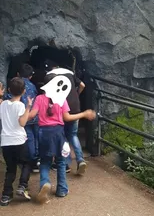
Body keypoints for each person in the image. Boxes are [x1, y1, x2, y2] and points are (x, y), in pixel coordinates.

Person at [28, 73, 96, 204]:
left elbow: (31, 115)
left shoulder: (39, 98)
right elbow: (67, 118)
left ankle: (45, 183)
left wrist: (23, 111)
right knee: (60, 161)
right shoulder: (61, 99)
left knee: (45, 162)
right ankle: (62, 189)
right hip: (58, 133)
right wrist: (84, 114)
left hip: (43, 133)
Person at [0, 77, 33, 206]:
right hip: (18, 140)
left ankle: (6, 196)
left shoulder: (3, 104)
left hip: (6, 142)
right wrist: (28, 107)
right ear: (24, 91)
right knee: (27, 163)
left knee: (11, 168)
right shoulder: (20, 105)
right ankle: (22, 185)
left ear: (9, 90)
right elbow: (22, 123)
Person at [48, 68, 87, 175]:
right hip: (75, 106)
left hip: (61, 107)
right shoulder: (70, 73)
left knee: (62, 135)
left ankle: (64, 164)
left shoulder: (50, 75)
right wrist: (77, 94)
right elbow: (82, 85)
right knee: (73, 135)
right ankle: (80, 160)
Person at [5, 64, 39, 173]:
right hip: (34, 116)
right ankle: (37, 159)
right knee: (36, 138)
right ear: (30, 76)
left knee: (29, 140)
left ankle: (32, 161)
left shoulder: (15, 86)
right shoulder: (33, 86)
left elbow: (9, 99)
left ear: (18, 74)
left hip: (24, 117)